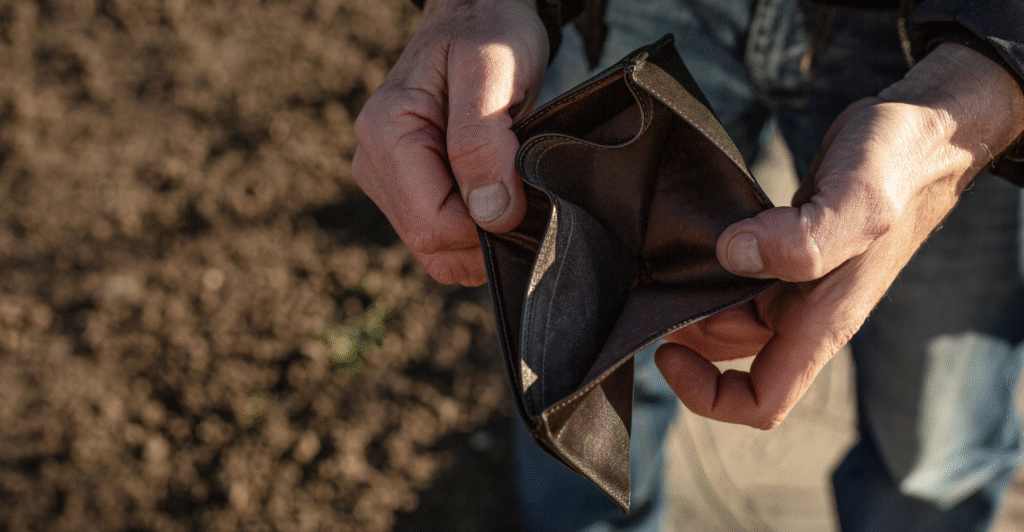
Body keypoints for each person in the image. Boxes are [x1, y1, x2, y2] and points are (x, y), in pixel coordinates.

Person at [352, 0, 1024, 530]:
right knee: (570, 373)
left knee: (934, 437)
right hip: (637, 12)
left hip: (950, 27)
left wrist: (979, 91)